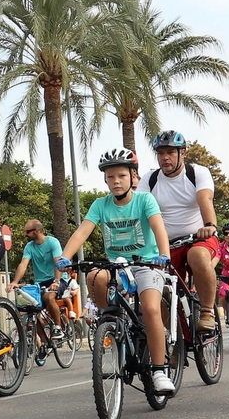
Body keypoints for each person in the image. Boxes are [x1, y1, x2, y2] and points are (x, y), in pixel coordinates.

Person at [55, 149, 175, 395]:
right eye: (110, 177)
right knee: (94, 276)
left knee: (151, 308)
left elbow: (158, 227)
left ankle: (159, 371)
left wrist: (165, 255)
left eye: (121, 175)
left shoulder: (144, 200)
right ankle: (110, 322)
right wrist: (65, 257)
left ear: (133, 177)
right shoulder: (101, 205)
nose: (116, 181)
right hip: (117, 265)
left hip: (147, 263)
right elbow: (82, 232)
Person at [140, 130, 221, 331]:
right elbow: (138, 210)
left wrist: (209, 225)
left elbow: (205, 199)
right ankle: (177, 339)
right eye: (160, 153)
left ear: (182, 153)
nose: (164, 158)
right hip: (166, 245)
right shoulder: (150, 179)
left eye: (170, 152)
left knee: (198, 256)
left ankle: (207, 312)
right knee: (157, 286)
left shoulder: (197, 173)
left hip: (198, 238)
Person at [11, 219, 68, 337]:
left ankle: (58, 328)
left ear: (37, 231)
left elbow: (58, 263)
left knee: (49, 296)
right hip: (40, 282)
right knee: (29, 307)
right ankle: (43, 343)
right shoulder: (29, 246)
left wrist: (56, 281)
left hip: (57, 278)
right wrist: (15, 282)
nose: (25, 234)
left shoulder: (52, 242)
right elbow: (23, 265)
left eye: (27, 232)